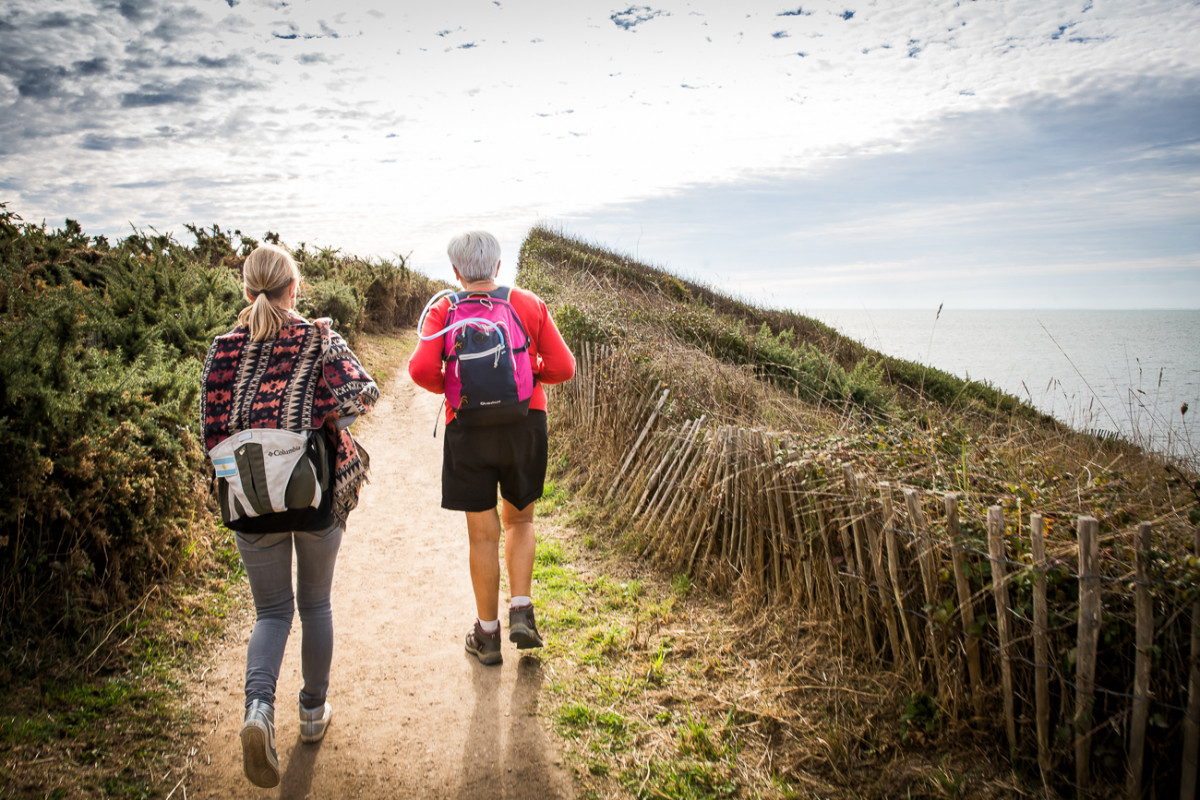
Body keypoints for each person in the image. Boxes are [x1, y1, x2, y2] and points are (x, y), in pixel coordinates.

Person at [200, 243, 378, 788]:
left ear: (245, 289)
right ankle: (311, 711)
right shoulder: (319, 336)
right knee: (315, 602)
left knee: (271, 613)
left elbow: (211, 433)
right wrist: (319, 417)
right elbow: (363, 394)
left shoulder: (221, 350)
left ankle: (257, 712)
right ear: (293, 289)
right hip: (314, 492)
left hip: (251, 501)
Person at [408, 231, 575, 665]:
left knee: (482, 534)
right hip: (525, 423)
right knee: (520, 521)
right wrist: (531, 369)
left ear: (456, 271)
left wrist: (453, 387)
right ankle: (521, 608)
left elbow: (421, 369)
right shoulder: (527, 303)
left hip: (467, 428)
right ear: (498, 267)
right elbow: (564, 366)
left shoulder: (445, 308)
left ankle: (487, 636)